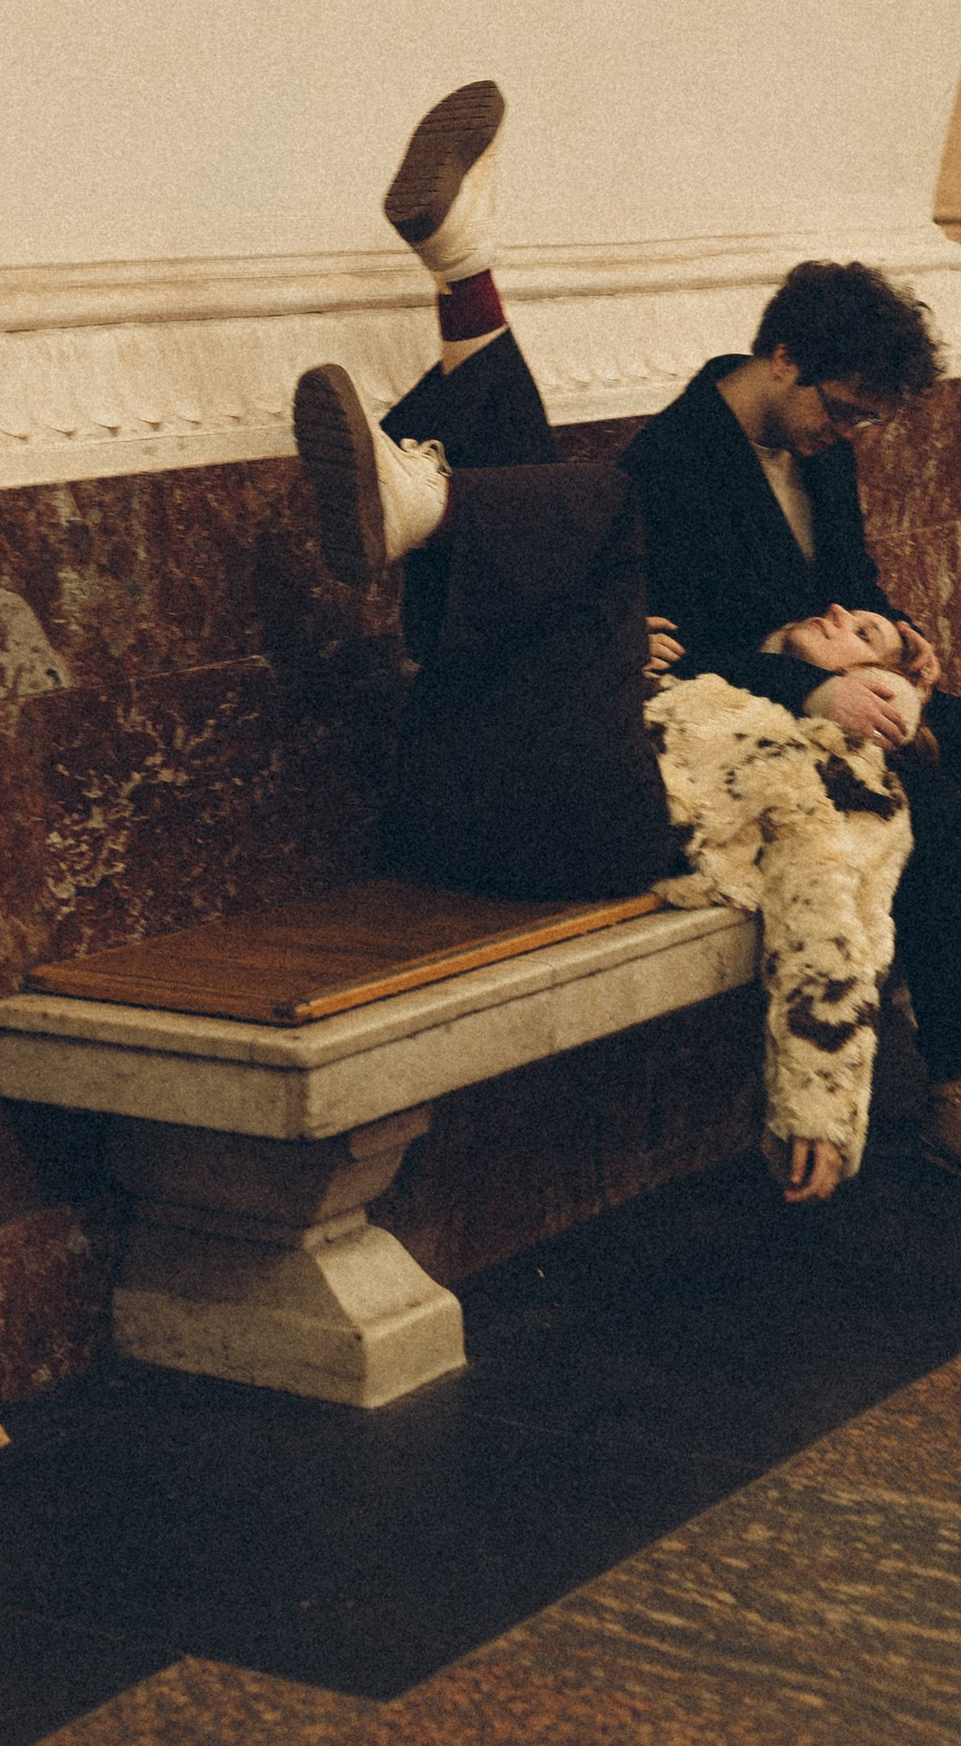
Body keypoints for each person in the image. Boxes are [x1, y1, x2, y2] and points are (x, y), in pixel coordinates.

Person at [291, 83, 912, 1202]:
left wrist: (817, 1103)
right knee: (557, 497)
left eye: (852, 638)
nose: (839, 619)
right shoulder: (751, 695)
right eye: (850, 619)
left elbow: (833, 927)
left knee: (603, 516)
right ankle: (454, 295)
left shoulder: (843, 790)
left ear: (867, 708)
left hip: (596, 832)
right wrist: (678, 658)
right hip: (483, 784)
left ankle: (426, 493)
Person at [621, 258, 961, 1192]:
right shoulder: (667, 465)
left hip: (850, 694)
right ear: (784, 358)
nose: (848, 433)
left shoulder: (818, 448)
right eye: (846, 409)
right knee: (938, 817)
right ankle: (957, 1087)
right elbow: (676, 659)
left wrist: (895, 635)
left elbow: (850, 582)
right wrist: (806, 684)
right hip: (758, 726)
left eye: (865, 419)